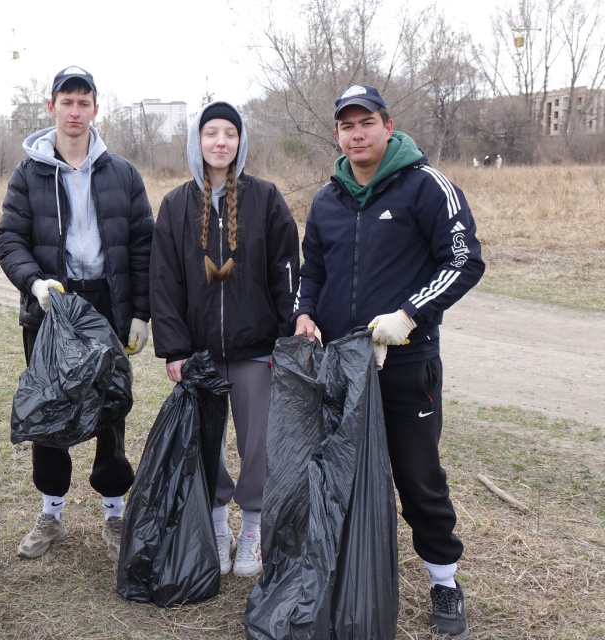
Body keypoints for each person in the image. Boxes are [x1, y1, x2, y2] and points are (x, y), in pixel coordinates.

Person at [293, 84, 485, 639]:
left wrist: (408, 314)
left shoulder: (426, 186)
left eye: (366, 123)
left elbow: (464, 259)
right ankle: (349, 574)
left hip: (405, 362)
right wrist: (305, 314)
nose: (357, 133)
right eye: (347, 126)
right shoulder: (327, 199)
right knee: (341, 477)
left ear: (387, 125)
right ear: (337, 134)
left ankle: (444, 581)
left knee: (418, 477)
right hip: (342, 365)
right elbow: (313, 272)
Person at [0, 66, 154, 563]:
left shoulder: (122, 173)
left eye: (84, 102)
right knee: (51, 408)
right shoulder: (29, 173)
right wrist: (34, 282)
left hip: (105, 303)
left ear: (95, 110)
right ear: (51, 108)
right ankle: (51, 513)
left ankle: (113, 511)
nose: (75, 111)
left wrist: (141, 313)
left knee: (110, 408)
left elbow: (144, 245)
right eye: (67, 101)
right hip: (52, 307)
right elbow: (9, 239)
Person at [149, 101, 300, 578]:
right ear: (197, 141)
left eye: (229, 133)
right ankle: (217, 523)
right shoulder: (176, 205)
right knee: (206, 443)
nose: (220, 142)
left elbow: (286, 274)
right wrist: (174, 349)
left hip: (258, 351)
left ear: (241, 141)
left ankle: (252, 525)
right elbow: (164, 283)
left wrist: (285, 339)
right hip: (199, 355)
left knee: (257, 443)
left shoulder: (266, 199)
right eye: (210, 133)